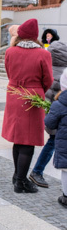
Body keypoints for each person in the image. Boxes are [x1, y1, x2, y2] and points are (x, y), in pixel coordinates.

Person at [2, 18, 53, 193]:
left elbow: (9, 73)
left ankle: (17, 176)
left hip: (14, 95)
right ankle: (21, 181)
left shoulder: (11, 51)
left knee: (18, 139)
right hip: (32, 96)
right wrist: (37, 90)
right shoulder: (43, 54)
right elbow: (48, 79)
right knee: (28, 142)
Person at [29, 40, 67, 188]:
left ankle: (38, 171)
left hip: (51, 113)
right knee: (53, 143)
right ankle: (37, 171)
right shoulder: (64, 73)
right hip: (60, 116)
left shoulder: (46, 68)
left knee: (53, 142)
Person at [44, 68, 67, 208]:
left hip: (65, 145)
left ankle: (66, 196)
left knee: (66, 171)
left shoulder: (60, 104)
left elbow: (49, 123)